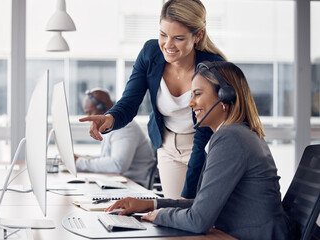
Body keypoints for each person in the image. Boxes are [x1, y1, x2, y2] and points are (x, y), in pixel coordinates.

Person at [105, 61, 292, 240]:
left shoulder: (231, 138)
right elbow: (203, 204)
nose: (190, 103)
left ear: (225, 96)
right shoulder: (238, 133)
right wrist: (150, 204)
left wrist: (159, 215)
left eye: (197, 94)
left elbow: (198, 220)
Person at [79, 0, 226, 199]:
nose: (168, 45)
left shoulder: (213, 67)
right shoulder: (150, 53)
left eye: (179, 38)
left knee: (197, 212)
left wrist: (188, 194)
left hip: (203, 144)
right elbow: (130, 100)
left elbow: (205, 131)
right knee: (175, 216)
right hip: (166, 145)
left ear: (197, 36)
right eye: (163, 35)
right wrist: (110, 118)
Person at [75, 89, 155, 188]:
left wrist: (79, 162)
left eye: (90, 112)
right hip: (119, 182)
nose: (88, 118)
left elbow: (117, 165)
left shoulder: (125, 127)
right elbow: (105, 158)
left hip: (133, 186)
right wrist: (81, 158)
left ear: (102, 107)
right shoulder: (109, 127)